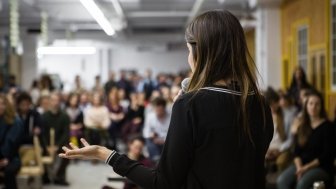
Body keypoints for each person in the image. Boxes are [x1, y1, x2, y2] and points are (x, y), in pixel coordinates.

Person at [59, 10, 273, 189]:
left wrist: (106, 155)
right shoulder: (261, 104)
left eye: (189, 51)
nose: (188, 59)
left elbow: (163, 183)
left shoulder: (191, 105)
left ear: (202, 53)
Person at [277, 91, 335, 189]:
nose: (313, 107)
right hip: (301, 165)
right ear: (306, 106)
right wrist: (300, 167)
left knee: (302, 184)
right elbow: (296, 151)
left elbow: (327, 155)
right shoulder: (303, 125)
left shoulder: (328, 127)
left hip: (322, 167)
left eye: (317, 104)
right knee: (282, 180)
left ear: (321, 107)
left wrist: (305, 168)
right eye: (311, 103)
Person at [42, 93, 71, 186]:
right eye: (53, 100)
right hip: (46, 144)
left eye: (57, 100)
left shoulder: (65, 116)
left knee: (69, 152)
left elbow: (66, 133)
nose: (55, 103)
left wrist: (56, 146)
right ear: (50, 102)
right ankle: (45, 176)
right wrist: (47, 146)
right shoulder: (44, 116)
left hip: (59, 143)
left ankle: (59, 176)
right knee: (38, 150)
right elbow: (42, 134)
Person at [0, 94, 23, 189]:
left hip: (12, 158)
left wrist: (5, 159)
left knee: (9, 172)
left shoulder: (15, 121)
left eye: (2, 104)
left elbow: (11, 145)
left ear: (6, 105)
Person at [16, 92, 44, 166]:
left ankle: (22, 166)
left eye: (27, 105)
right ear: (18, 105)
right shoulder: (15, 116)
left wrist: (38, 130)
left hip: (32, 145)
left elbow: (40, 127)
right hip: (18, 146)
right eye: (23, 105)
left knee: (33, 153)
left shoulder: (34, 114)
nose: (25, 107)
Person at [143, 97, 170, 161]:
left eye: (159, 110)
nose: (157, 112)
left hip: (167, 141)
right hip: (155, 140)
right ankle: (155, 159)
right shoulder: (150, 116)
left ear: (164, 108)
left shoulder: (171, 116)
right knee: (148, 140)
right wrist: (151, 134)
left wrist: (163, 140)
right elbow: (145, 132)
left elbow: (173, 133)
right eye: (156, 110)